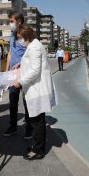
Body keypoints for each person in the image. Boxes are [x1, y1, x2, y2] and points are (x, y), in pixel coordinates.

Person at [12, 25, 57, 160]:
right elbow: (31, 63)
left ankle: (38, 150)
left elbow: (35, 70)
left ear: (26, 35)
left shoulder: (34, 47)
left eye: (20, 38)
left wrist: (20, 81)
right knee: (37, 120)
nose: (19, 41)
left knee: (36, 121)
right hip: (33, 89)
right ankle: (38, 145)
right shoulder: (33, 45)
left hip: (36, 90)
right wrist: (21, 64)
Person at [3, 11, 32, 139]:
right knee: (12, 102)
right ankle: (13, 126)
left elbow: (31, 53)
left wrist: (21, 63)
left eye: (11, 21)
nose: (10, 24)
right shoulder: (11, 34)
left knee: (27, 102)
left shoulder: (26, 34)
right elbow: (10, 52)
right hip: (13, 74)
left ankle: (29, 128)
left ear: (19, 22)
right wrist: (6, 69)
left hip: (25, 73)